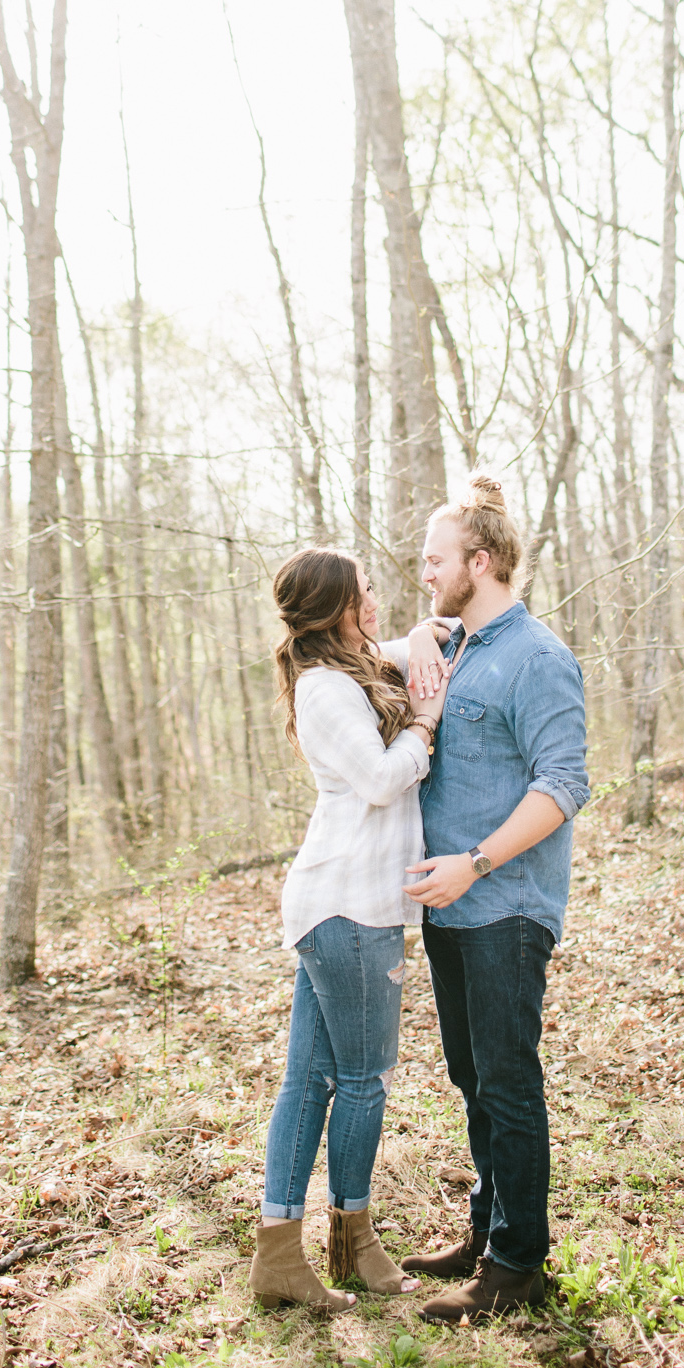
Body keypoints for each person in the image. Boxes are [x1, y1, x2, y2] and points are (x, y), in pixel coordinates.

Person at [398, 474, 590, 1325]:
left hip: (505, 905)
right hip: (451, 907)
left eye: (436, 560)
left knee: (508, 1083)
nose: (424, 571)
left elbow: (563, 784)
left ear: (481, 562)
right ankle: (484, 1233)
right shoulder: (458, 647)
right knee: (473, 1079)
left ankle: (517, 1267)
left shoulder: (538, 658)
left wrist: (474, 863)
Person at [248, 547, 452, 1314]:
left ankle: (284, 1255)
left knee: (309, 1082)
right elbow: (377, 780)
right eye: (363, 592)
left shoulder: (347, 668)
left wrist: (424, 635)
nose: (374, 600)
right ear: (334, 605)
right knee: (363, 1081)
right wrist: (423, 726)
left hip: (341, 905)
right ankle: (352, 1240)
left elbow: (405, 648)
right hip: (350, 907)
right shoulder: (327, 689)